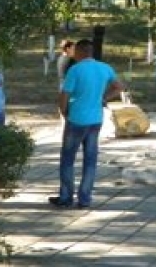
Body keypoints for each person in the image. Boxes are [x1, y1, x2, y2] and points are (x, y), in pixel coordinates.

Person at [49, 38, 124, 209]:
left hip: (76, 119)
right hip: (95, 119)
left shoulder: (75, 70)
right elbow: (119, 87)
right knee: (90, 160)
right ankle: (85, 198)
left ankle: (66, 197)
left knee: (68, 159)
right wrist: (103, 98)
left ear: (80, 52)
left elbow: (65, 94)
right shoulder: (104, 68)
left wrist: (64, 111)